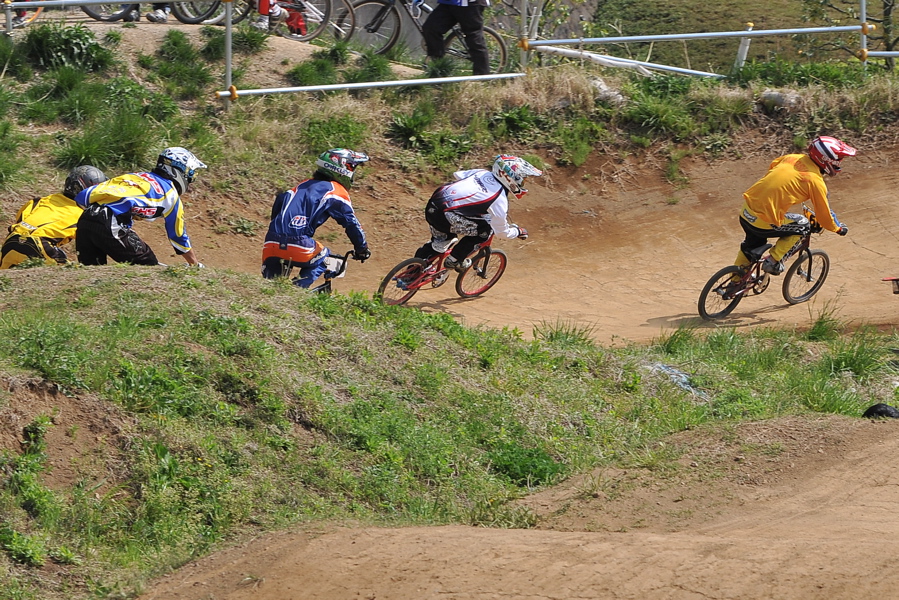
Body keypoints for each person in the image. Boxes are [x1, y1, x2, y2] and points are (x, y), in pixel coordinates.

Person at [734, 135, 855, 275]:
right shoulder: (814, 181)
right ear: (826, 160)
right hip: (763, 221)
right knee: (803, 224)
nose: (840, 163)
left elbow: (773, 168)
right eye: (839, 159)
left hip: (746, 211)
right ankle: (773, 261)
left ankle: (734, 284)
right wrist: (838, 228)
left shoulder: (792, 157)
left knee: (751, 247)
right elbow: (824, 216)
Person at [74, 147, 206, 267]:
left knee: (91, 272)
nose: (190, 179)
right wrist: (194, 264)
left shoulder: (134, 176)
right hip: (109, 222)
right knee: (148, 267)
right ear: (179, 170)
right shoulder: (171, 195)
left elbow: (82, 197)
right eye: (190, 174)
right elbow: (178, 236)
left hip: (84, 220)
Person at [262, 149, 371, 288]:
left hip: (271, 243)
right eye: (351, 167)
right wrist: (362, 248)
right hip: (298, 244)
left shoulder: (301, 185)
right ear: (342, 169)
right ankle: (296, 291)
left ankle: (281, 295)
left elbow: (279, 202)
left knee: (270, 288)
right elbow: (351, 223)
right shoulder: (335, 190)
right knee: (326, 259)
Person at [413, 154, 541, 271]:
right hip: (446, 216)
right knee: (486, 229)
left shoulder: (481, 172)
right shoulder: (499, 199)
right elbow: (501, 232)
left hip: (433, 205)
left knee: (441, 241)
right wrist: (518, 231)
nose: (524, 182)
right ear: (510, 177)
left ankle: (413, 272)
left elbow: (458, 175)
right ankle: (455, 260)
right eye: (523, 179)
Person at [0, 166, 108, 269]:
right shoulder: (85, 215)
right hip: (40, 244)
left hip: (11, 241)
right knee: (73, 278)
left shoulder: (40, 201)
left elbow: (21, 219)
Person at [421, 0, 491, 75]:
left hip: (470, 4)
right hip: (449, 3)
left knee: (474, 38)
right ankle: (438, 69)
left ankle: (482, 76)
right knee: (431, 29)